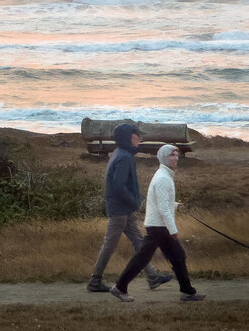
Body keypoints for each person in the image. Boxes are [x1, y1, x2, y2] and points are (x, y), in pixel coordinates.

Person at [110, 144, 205, 302]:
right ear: (163, 158)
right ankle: (120, 287)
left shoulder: (164, 175)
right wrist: (173, 229)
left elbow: (161, 201)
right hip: (159, 227)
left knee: (177, 256)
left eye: (176, 155)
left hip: (159, 226)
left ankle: (188, 291)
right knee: (145, 258)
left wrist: (175, 205)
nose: (175, 158)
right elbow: (162, 208)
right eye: (171, 155)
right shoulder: (163, 178)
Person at [86, 123, 172, 292]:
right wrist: (134, 201)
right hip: (120, 209)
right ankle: (95, 281)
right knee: (110, 244)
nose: (139, 139)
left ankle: (152, 276)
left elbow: (121, 184)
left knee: (139, 241)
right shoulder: (124, 157)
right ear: (127, 137)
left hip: (123, 209)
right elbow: (119, 185)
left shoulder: (120, 153)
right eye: (136, 135)